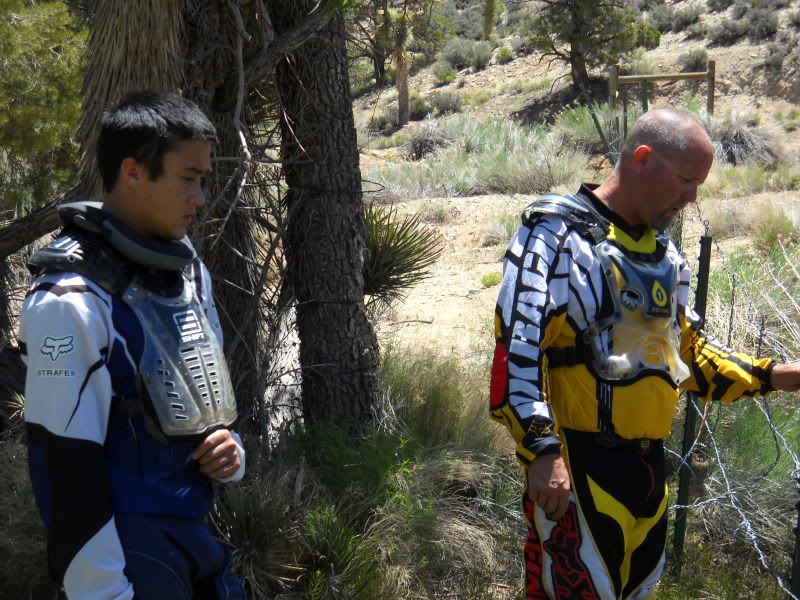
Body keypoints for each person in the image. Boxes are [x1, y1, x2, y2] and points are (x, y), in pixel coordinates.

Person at [489, 107, 800, 600]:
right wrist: (541, 451)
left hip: (650, 472)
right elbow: (516, 348)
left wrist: (778, 375)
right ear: (642, 158)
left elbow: (689, 358)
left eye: (698, 185)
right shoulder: (555, 233)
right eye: (685, 180)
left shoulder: (665, 256)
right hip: (579, 469)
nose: (692, 197)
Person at [21, 91, 246, 599]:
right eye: (188, 177)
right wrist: (102, 591)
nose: (199, 196)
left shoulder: (188, 273)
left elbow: (197, 395)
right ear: (134, 171)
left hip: (196, 538)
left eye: (203, 179)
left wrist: (229, 451)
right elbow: (64, 465)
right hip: (123, 555)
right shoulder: (68, 299)